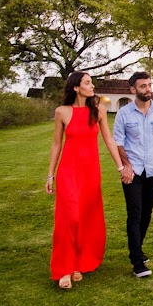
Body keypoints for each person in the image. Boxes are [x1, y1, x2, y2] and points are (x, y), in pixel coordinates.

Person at [46, 72, 125, 289]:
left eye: (91, 83)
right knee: (68, 217)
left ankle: (77, 264)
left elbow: (109, 139)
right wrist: (50, 174)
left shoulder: (98, 109)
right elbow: (56, 145)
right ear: (75, 88)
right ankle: (63, 269)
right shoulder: (61, 112)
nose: (92, 86)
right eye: (88, 83)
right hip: (68, 171)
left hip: (91, 172)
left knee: (84, 218)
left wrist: (120, 166)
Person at [113, 71, 153, 278]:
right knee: (135, 213)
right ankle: (137, 260)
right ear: (133, 90)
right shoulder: (124, 114)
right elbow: (118, 142)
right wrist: (126, 166)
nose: (148, 89)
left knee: (146, 213)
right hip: (133, 171)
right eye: (143, 86)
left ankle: (137, 248)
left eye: (149, 85)